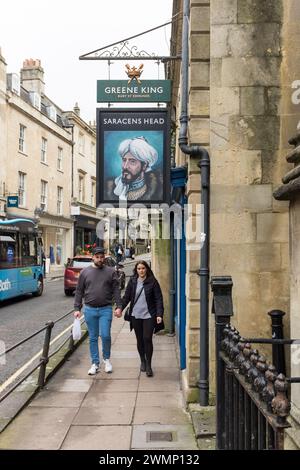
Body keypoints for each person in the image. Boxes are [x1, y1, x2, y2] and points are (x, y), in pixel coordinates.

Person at [73, 247, 122, 375]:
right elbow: (79, 291)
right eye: (97, 257)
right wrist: (77, 308)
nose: (100, 259)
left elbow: (116, 290)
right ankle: (95, 363)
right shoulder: (85, 272)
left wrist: (119, 306)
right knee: (93, 337)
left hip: (106, 309)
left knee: (105, 335)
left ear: (104, 257)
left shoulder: (111, 272)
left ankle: (106, 360)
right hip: (89, 310)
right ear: (93, 257)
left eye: (102, 257)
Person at [121, 260, 164, 377]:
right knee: (139, 340)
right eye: (139, 269)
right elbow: (126, 297)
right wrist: (120, 308)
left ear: (147, 269)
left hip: (149, 315)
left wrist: (159, 314)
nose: (141, 271)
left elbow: (158, 299)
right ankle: (142, 361)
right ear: (136, 270)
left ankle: (149, 365)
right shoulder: (133, 281)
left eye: (143, 268)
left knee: (147, 338)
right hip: (135, 315)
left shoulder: (153, 282)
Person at [105, 136, 163, 201]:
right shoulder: (109, 189)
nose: (125, 166)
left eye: (132, 161)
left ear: (144, 165)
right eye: (124, 160)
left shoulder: (158, 191)